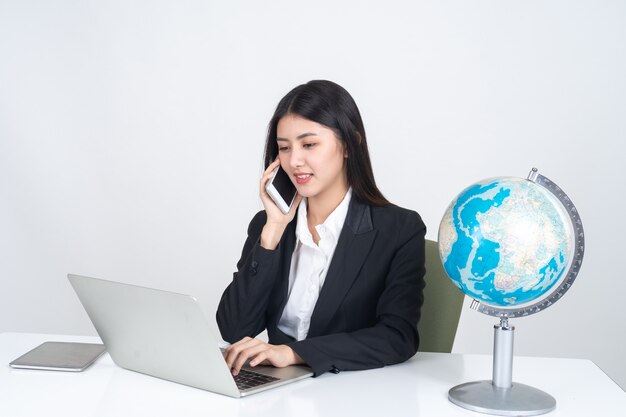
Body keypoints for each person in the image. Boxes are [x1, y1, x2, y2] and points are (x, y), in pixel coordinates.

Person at [216, 80, 426, 377]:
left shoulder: (399, 229)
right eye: (284, 148)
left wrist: (293, 353)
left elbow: (398, 337)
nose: (294, 161)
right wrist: (273, 232)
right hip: (277, 391)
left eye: (309, 144)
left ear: (349, 145)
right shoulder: (269, 226)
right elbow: (234, 328)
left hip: (350, 389)